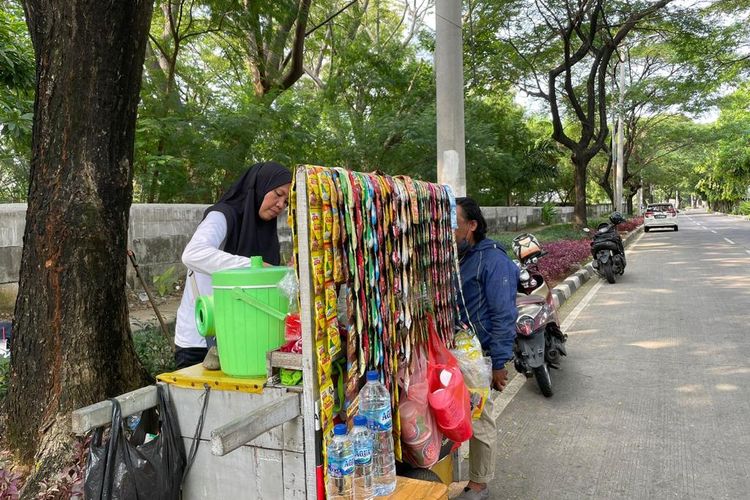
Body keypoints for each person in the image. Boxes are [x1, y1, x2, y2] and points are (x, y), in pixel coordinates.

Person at [173, 161, 292, 370]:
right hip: (203, 341)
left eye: (286, 201)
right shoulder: (222, 216)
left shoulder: (264, 230)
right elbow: (192, 254)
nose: (281, 204)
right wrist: (251, 267)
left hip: (245, 340)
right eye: (277, 193)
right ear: (261, 186)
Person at [453, 197, 519, 500]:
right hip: (460, 353)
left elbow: (504, 314)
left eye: (452, 224)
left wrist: (499, 362)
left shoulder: (493, 260)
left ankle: (479, 484)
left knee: (480, 417)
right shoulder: (460, 257)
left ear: (472, 225)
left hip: (483, 357)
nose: (447, 231)